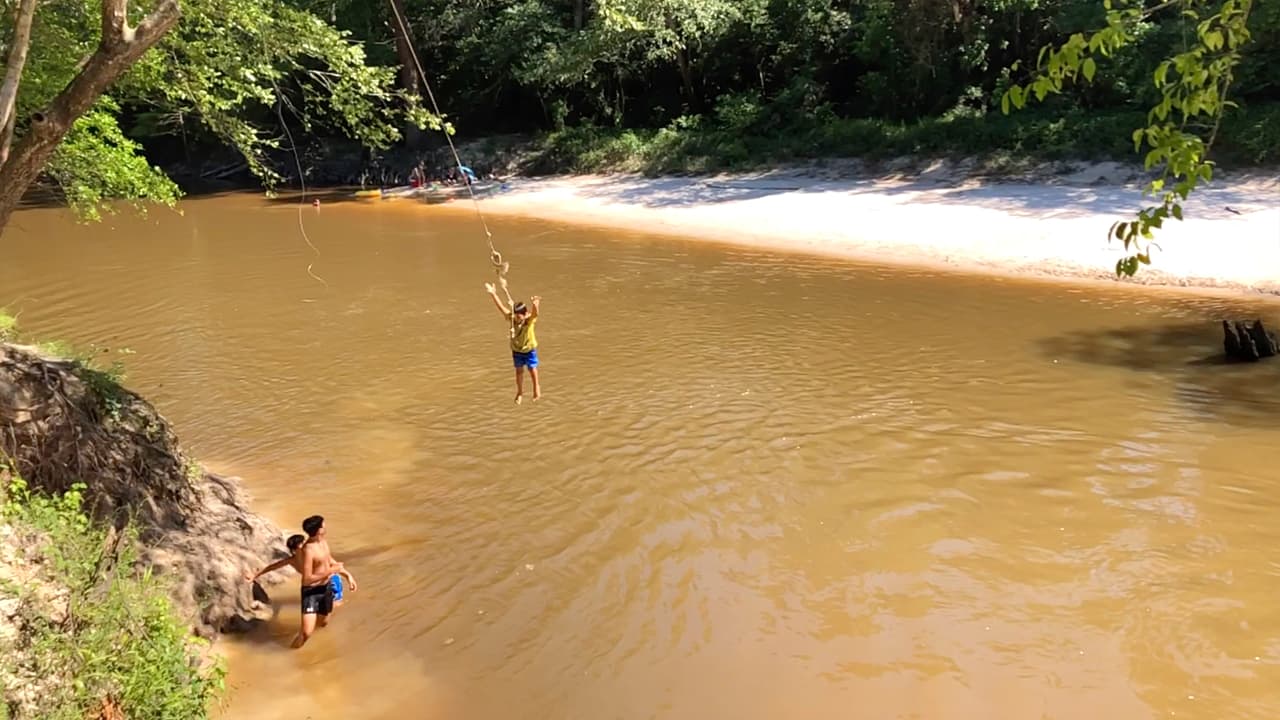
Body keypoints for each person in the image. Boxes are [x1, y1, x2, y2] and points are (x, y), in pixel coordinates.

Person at [485, 283, 541, 404]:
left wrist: (535, 304)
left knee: (532, 369)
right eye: (515, 316)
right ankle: (520, 392)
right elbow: (501, 308)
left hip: (529, 350)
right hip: (517, 350)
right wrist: (493, 294)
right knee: (519, 371)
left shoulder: (528, 320)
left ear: (525, 314)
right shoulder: (512, 318)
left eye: (519, 317)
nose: (517, 319)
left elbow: (535, 314)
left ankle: (536, 388)